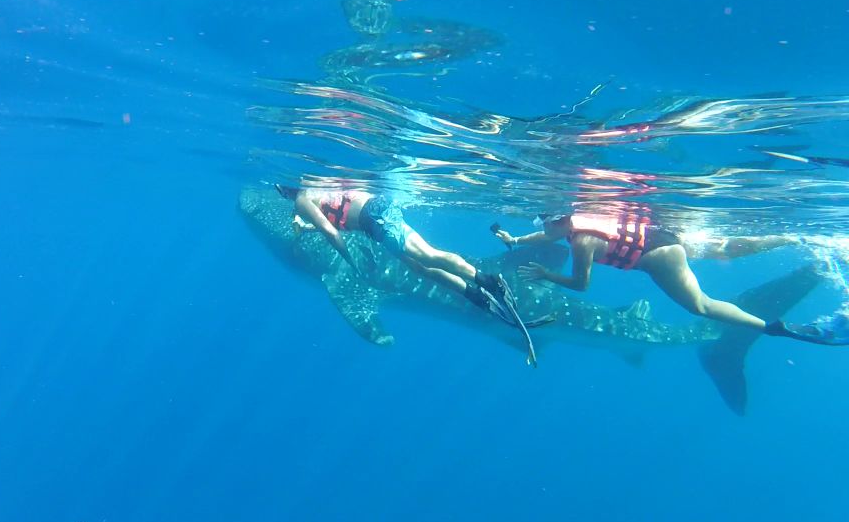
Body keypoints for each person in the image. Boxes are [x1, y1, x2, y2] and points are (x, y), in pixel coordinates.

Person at [493, 209, 847, 346]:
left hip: (657, 259)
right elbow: (547, 236)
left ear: (558, 221)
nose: (540, 229)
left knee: (702, 306)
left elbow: (582, 285)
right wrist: (517, 241)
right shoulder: (577, 219)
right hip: (662, 237)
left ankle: (771, 327)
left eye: (542, 223)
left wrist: (544, 274)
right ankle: (796, 235)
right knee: (725, 249)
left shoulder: (582, 243)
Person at [275, 183, 552, 341]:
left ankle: (487, 281)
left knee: (427, 256)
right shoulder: (320, 185)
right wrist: (309, 226)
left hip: (377, 221)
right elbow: (341, 214)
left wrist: (348, 259)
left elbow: (332, 231)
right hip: (377, 214)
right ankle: (474, 294)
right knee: (420, 267)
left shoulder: (301, 199)